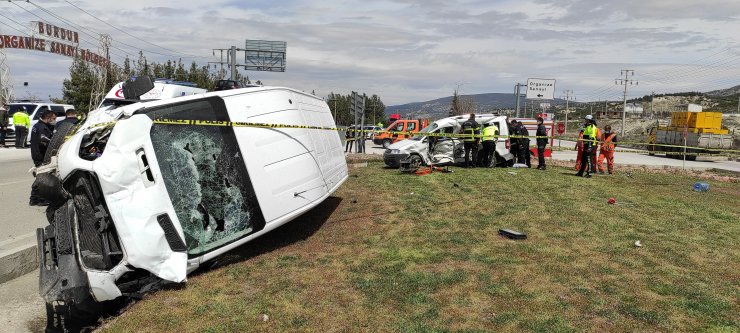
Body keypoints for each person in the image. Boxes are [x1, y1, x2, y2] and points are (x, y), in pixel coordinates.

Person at [29, 110, 55, 206]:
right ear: (47, 118)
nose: (54, 120)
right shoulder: (42, 128)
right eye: (53, 119)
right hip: (41, 155)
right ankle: (36, 199)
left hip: (37, 153)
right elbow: (46, 142)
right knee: (42, 176)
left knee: (41, 176)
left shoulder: (38, 125)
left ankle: (35, 198)